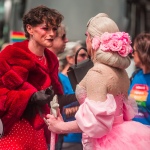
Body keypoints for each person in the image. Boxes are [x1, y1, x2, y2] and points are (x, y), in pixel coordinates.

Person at [46, 13, 150, 150]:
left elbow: (96, 123)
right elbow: (123, 113)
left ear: (93, 40)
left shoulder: (97, 73)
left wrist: (60, 127)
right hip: (125, 138)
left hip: (106, 143)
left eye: (87, 36)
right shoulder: (122, 73)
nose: (86, 41)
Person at [0, 5, 77, 149]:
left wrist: (80, 96)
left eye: (54, 29)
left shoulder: (51, 60)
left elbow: (56, 98)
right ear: (29, 29)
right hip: (12, 130)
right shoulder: (11, 54)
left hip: (39, 132)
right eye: (45, 28)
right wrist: (31, 97)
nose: (51, 33)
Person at [58, 41, 87, 150]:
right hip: (68, 139)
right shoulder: (60, 79)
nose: (86, 58)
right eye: (82, 55)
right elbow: (62, 111)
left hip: (85, 138)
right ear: (70, 59)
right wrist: (87, 107)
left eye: (87, 55)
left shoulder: (84, 80)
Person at [128, 33, 150, 126]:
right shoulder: (135, 76)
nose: (132, 54)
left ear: (143, 52)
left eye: (134, 51)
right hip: (133, 135)